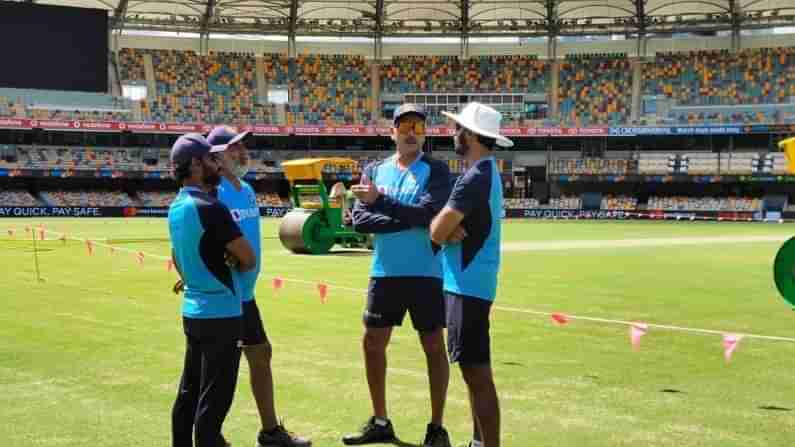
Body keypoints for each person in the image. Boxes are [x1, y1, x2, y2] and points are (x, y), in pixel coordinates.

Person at [344, 104, 454, 447]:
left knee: (434, 345)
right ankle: (380, 422)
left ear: (425, 134)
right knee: (372, 343)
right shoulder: (375, 170)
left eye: (419, 127)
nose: (411, 132)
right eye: (405, 125)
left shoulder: (437, 170)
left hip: (426, 273)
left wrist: (382, 203)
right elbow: (360, 221)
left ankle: (436, 428)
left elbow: (429, 214)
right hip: (385, 272)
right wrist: (404, 216)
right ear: (392, 131)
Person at [207, 126, 311, 447]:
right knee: (219, 370)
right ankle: (209, 435)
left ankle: (270, 433)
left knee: (260, 354)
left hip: (245, 296)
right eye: (231, 148)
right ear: (215, 159)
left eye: (242, 146)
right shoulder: (214, 192)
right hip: (224, 296)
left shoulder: (248, 190)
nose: (241, 152)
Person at [430, 103, 513, 447]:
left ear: (472, 135)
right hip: (471, 282)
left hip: (467, 285)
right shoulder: (485, 172)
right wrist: (448, 229)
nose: (453, 134)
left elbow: (436, 230)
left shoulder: (475, 177)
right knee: (473, 371)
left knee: (476, 373)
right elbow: (446, 227)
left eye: (458, 128)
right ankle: (479, 442)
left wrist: (444, 230)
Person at [168, 133, 256, 447]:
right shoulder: (210, 207)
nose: (216, 164)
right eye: (209, 159)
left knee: (188, 393)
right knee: (213, 404)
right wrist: (230, 257)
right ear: (194, 164)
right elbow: (248, 258)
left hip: (193, 311)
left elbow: (178, 260)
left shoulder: (177, 206)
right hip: (222, 313)